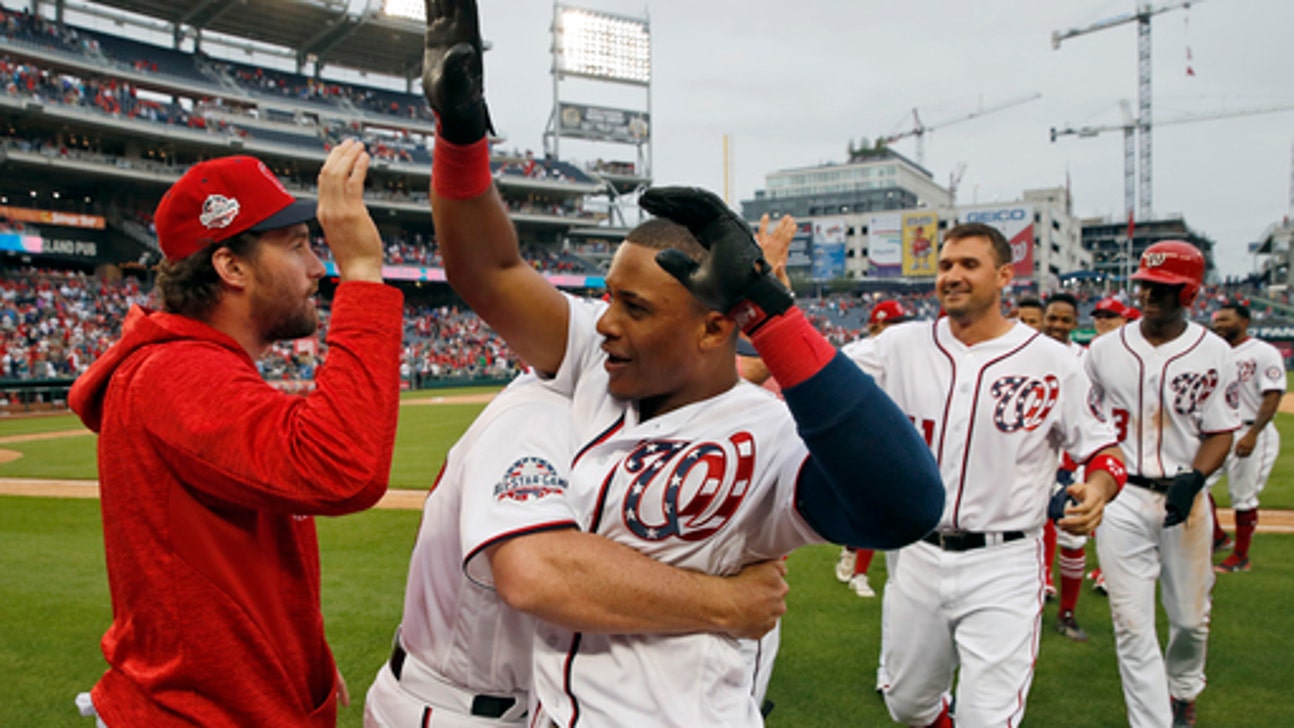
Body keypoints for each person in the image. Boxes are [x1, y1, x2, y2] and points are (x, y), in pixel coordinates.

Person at [421, 5, 944, 724]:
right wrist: (459, 132)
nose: (606, 321)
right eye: (608, 298)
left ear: (716, 327)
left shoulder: (764, 437)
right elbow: (488, 270)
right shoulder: (600, 359)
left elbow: (905, 506)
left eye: (634, 307)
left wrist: (775, 313)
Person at [68, 142, 404, 726]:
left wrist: (294, 650)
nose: (317, 267)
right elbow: (343, 468)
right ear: (231, 268)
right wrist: (363, 277)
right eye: (297, 246)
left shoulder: (190, 365)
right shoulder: (176, 371)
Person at [365, 375, 789, 727]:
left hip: (515, 704)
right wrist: (727, 603)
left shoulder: (606, 417)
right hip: (460, 709)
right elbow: (534, 573)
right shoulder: (538, 414)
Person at [848, 222, 1125, 727]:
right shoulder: (899, 345)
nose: (952, 275)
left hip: (1005, 559)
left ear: (1004, 276)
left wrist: (1099, 489)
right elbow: (817, 375)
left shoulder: (1053, 360)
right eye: (945, 265)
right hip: (918, 554)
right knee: (907, 705)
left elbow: (1104, 449)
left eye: (968, 265)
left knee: (988, 718)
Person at [1085, 240, 1240, 728]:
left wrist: (1195, 478)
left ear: (1189, 293)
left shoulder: (1214, 352)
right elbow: (1083, 422)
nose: (1150, 294)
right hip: (1122, 496)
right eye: (1146, 285)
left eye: (1163, 287)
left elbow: (1221, 431)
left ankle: (1183, 689)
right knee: (1131, 626)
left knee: (1190, 621)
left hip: (1185, 498)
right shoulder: (1103, 350)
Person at [836, 298, 911, 599]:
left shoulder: (906, 357)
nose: (897, 330)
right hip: (863, 439)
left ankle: (858, 566)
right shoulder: (858, 352)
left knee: (885, 511)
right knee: (870, 510)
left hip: (895, 439)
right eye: (891, 324)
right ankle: (856, 564)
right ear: (876, 325)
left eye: (900, 324)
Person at [1207, 300, 1285, 573]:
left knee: (1242, 497)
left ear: (1244, 322)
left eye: (1225, 320)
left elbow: (1272, 395)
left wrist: (1253, 434)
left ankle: (1241, 556)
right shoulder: (1215, 353)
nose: (1219, 325)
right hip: (1219, 432)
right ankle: (1218, 537)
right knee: (1196, 485)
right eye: (1217, 320)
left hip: (1250, 429)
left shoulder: (1263, 352)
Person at [1040, 292, 1094, 641]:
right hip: (1034, 457)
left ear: (1075, 322)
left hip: (1072, 459)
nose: (1057, 325)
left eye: (1065, 320)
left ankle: (1068, 613)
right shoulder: (1026, 351)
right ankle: (1030, 604)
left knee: (1072, 537)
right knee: (1025, 534)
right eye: (1053, 318)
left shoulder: (1086, 359)